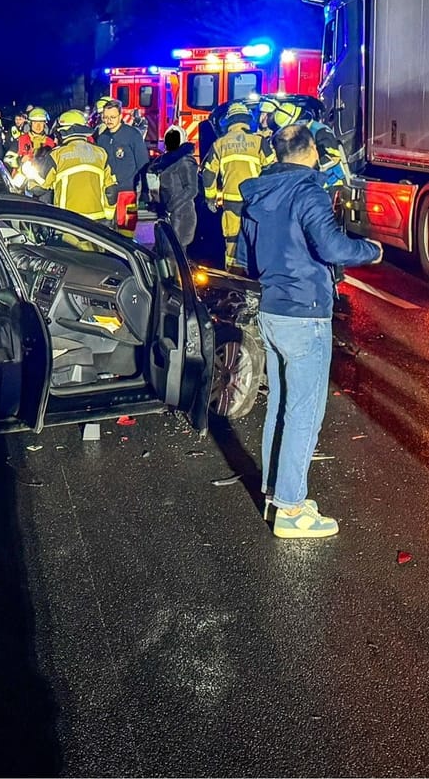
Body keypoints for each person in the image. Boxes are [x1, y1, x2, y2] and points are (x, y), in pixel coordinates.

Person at [236, 123, 383, 538]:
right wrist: (372, 250)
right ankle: (292, 509)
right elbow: (333, 248)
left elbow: (247, 258)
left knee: (282, 407)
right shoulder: (307, 192)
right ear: (311, 153)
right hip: (306, 312)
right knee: (304, 412)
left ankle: (276, 492)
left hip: (273, 310)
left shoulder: (258, 195)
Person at [202, 101, 272, 266]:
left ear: (229, 121)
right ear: (247, 120)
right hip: (255, 200)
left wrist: (210, 198)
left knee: (233, 239)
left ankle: (234, 278)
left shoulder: (220, 144)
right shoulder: (259, 141)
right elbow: (272, 169)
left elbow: (208, 173)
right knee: (257, 237)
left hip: (231, 201)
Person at [33, 110, 115, 221]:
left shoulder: (57, 155)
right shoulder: (101, 153)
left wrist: (30, 181)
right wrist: (108, 216)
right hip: (97, 223)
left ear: (64, 132)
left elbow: (39, 188)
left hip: (69, 222)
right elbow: (111, 190)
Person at [135, 127, 199, 249]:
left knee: (174, 252)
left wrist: (171, 206)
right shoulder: (163, 160)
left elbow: (191, 189)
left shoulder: (185, 160)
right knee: (165, 251)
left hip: (181, 215)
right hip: (165, 213)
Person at [92, 96, 147, 201]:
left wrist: (145, 190)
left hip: (129, 192)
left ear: (120, 116)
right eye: (106, 117)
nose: (109, 120)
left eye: (112, 117)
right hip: (108, 191)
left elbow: (143, 164)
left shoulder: (132, 135)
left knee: (128, 218)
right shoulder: (102, 138)